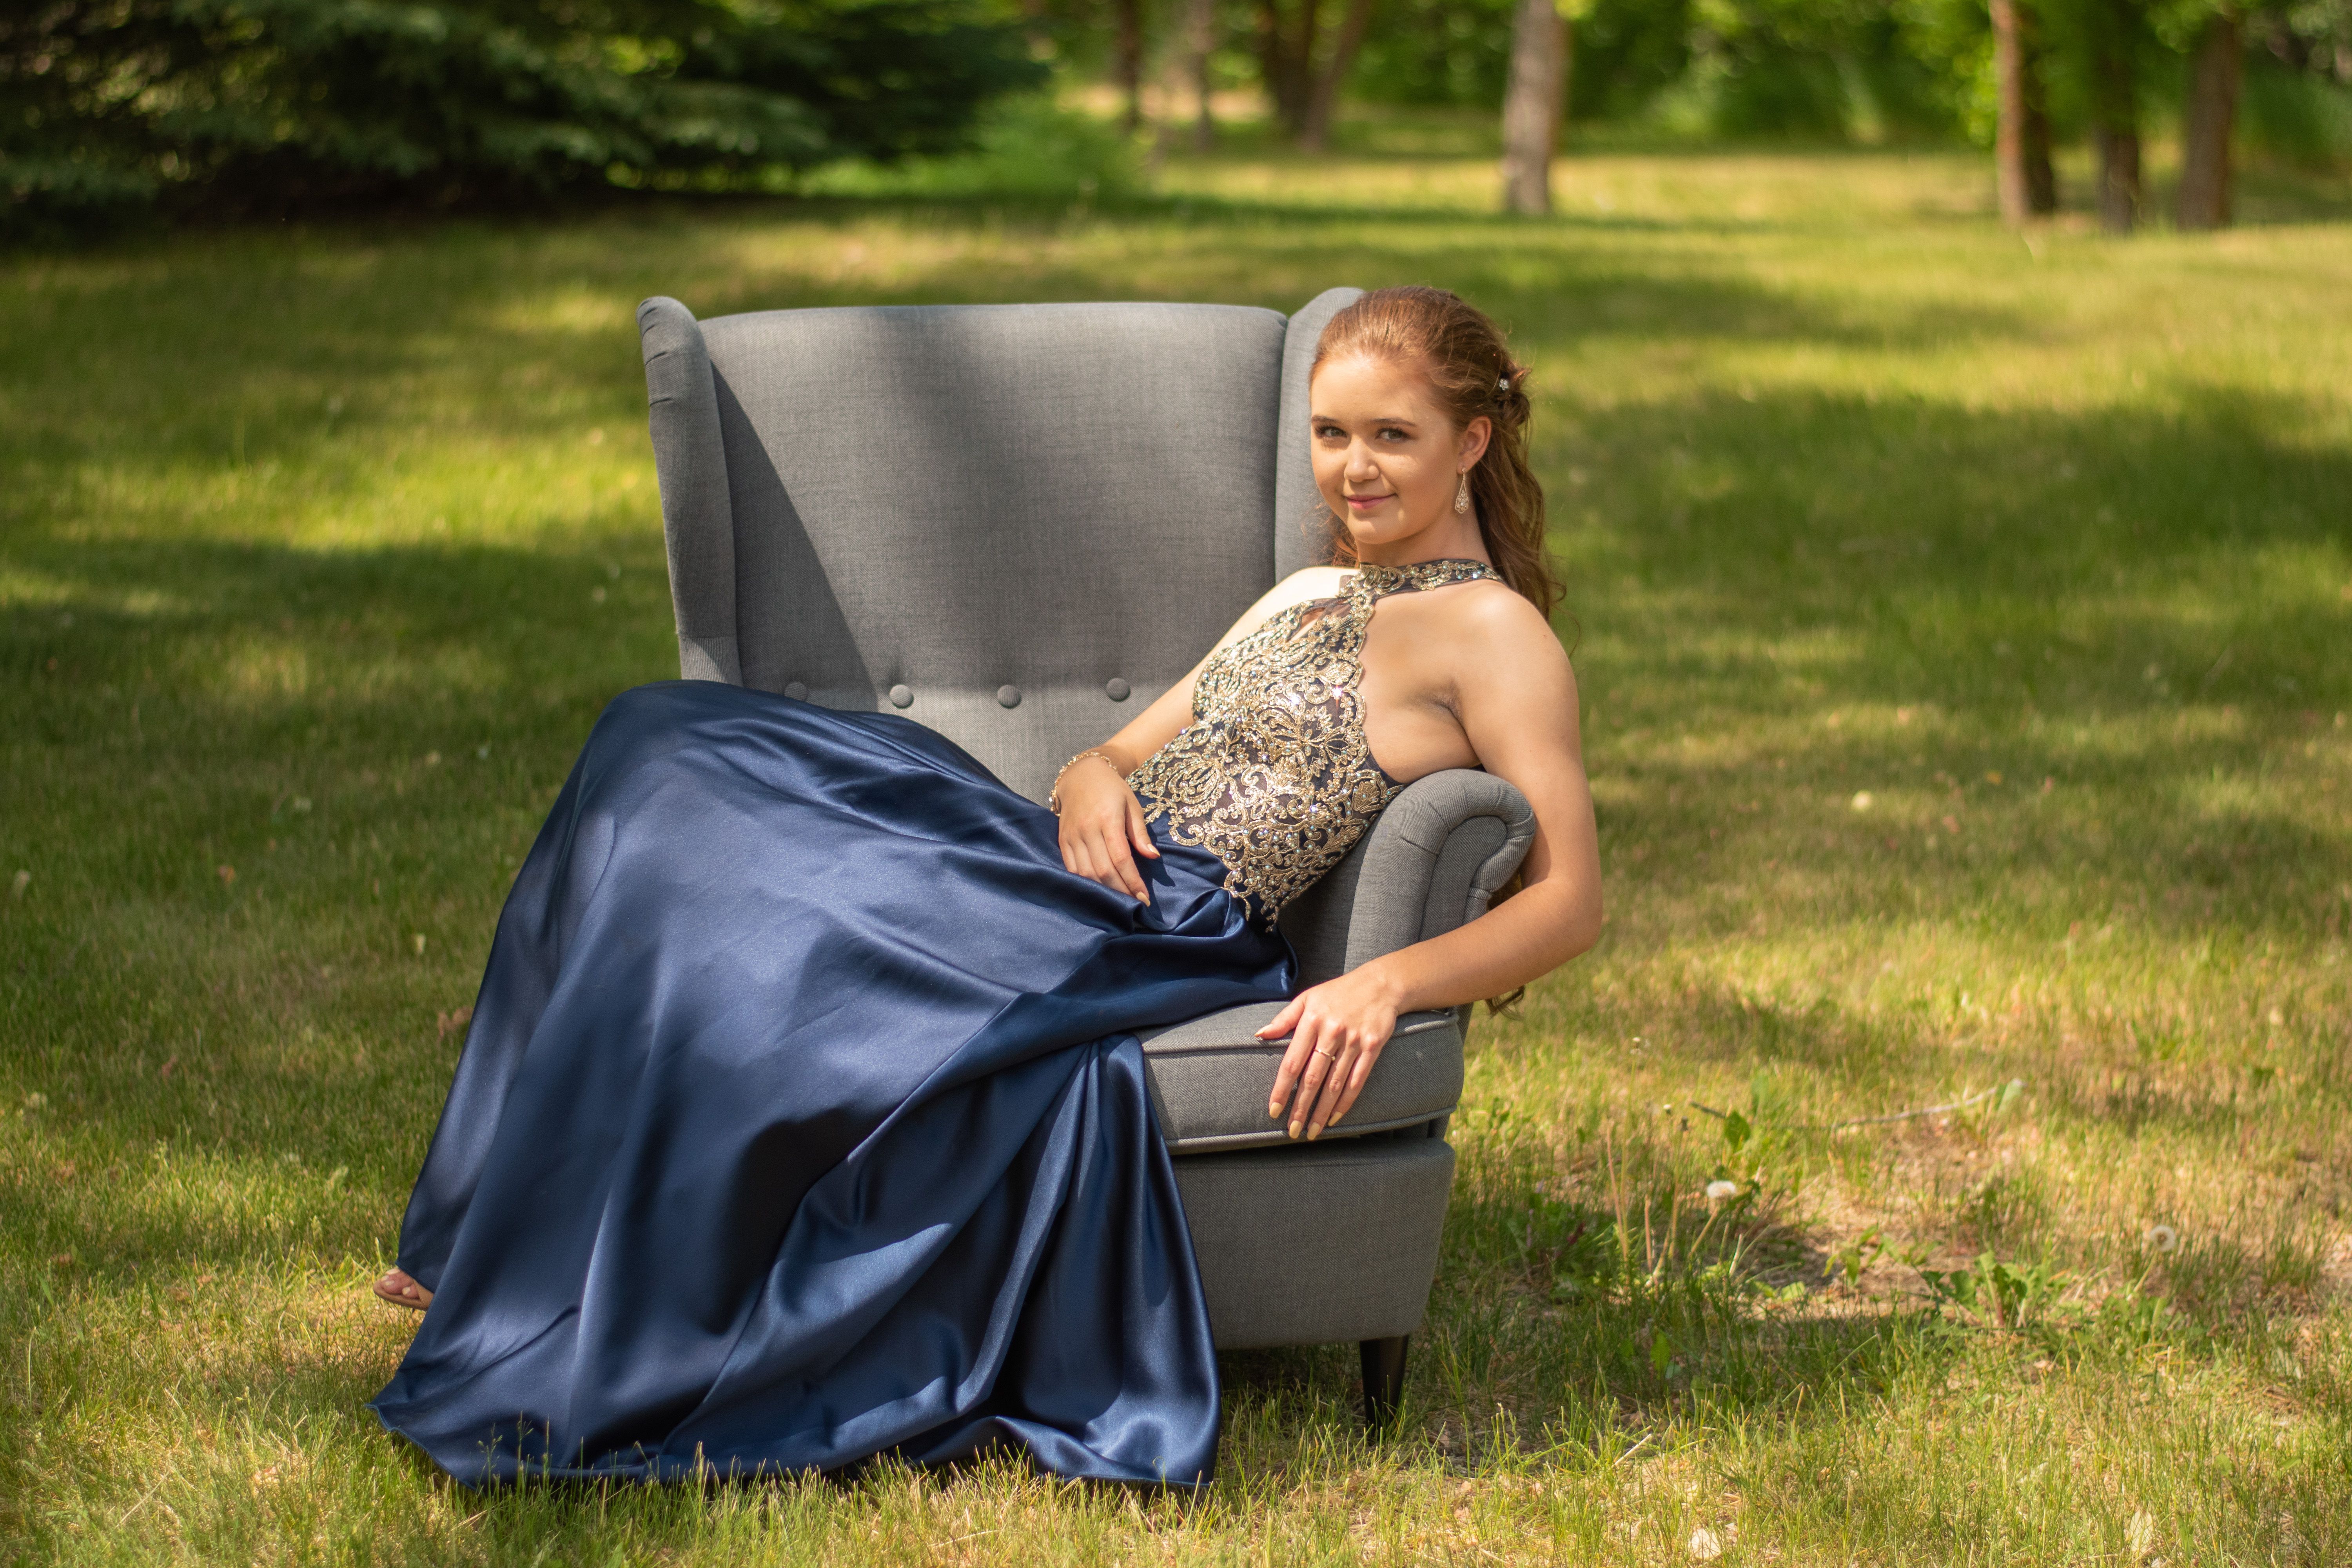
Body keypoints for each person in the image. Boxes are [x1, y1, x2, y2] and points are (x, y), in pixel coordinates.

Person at [368, 285, 1601, 1488]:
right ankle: (484, 1234)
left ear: (1471, 442)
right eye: (1331, 434)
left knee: (734, 880)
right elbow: (1123, 748)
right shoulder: (1309, 590)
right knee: (656, 739)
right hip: (1057, 857)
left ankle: (531, 1278)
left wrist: (1388, 983)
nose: (1354, 469)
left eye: (1393, 436)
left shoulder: (1497, 637)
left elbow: (1569, 898)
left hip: (1158, 925)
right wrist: (1089, 776)